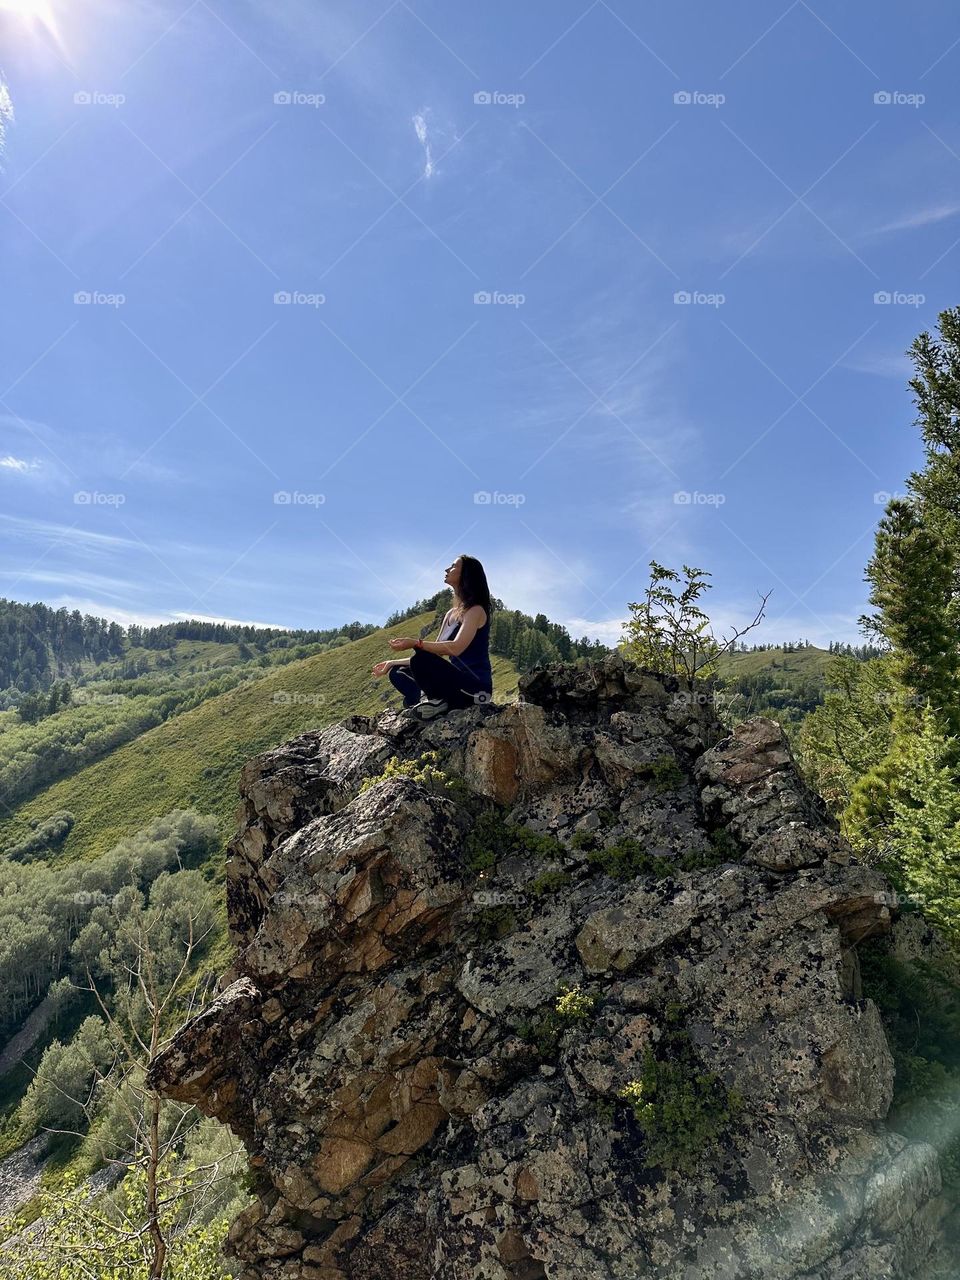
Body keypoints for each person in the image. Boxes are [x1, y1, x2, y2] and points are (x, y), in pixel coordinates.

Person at [371, 554, 493, 720]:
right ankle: (428, 703)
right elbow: (434, 653)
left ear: (466, 574)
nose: (447, 569)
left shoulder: (475, 611)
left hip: (476, 689)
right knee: (397, 672)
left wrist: (416, 643)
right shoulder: (451, 614)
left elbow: (456, 648)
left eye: (453, 566)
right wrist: (391, 662)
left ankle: (436, 702)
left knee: (420, 660)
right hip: (456, 683)